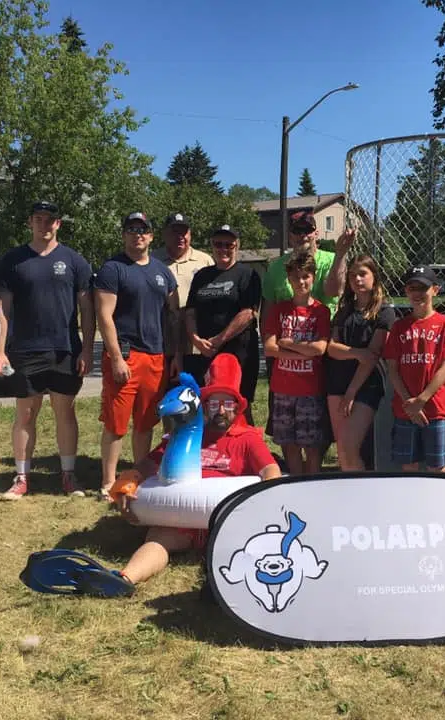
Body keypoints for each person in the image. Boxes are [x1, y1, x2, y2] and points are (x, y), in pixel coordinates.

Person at [110, 353, 282, 588]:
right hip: (183, 516)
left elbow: (270, 469)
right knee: (158, 538)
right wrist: (130, 478)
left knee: (238, 547)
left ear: (238, 407)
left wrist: (265, 500)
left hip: (225, 518)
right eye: (214, 404)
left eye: (228, 404)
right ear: (204, 406)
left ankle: (221, 587)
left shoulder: (247, 439)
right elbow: (152, 462)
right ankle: (124, 579)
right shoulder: (187, 434)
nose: (221, 411)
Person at [0, 200, 94, 500]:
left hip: (65, 350)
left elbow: (87, 310)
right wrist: (0, 351)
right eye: (38, 219)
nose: (44, 224)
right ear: (30, 222)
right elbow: (3, 310)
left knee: (65, 412)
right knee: (25, 413)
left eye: (50, 220)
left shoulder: (76, 261)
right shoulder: (11, 261)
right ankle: (21, 477)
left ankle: (68, 476)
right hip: (25, 350)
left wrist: (87, 349)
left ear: (58, 224)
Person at [94, 211, 180, 501]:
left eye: (142, 230)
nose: (137, 235)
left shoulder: (162, 272)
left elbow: (173, 316)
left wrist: (174, 355)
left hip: (155, 357)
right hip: (126, 355)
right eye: (131, 230)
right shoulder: (113, 269)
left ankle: (137, 476)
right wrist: (116, 357)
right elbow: (104, 316)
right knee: (116, 424)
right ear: (124, 235)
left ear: (151, 236)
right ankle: (108, 482)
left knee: (145, 423)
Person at [260, 210, 355, 460]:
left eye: (307, 230)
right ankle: (293, 470)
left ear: (316, 233)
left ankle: (314, 469)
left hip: (322, 352)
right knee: (286, 427)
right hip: (284, 362)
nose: (302, 235)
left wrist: (341, 255)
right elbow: (268, 312)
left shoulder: (329, 259)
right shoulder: (277, 268)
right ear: (290, 235)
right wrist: (274, 351)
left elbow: (334, 291)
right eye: (297, 230)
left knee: (316, 426)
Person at [383, 266, 445, 473]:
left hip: (435, 408)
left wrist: (421, 400)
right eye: (412, 288)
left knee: (438, 468)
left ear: (435, 289)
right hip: (405, 408)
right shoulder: (399, 327)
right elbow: (393, 369)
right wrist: (409, 402)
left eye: (423, 288)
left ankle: (438, 505)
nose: (417, 294)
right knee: (409, 467)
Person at [262, 251, 331, 474]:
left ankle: (312, 485)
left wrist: (288, 343)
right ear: (289, 279)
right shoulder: (279, 309)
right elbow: (271, 348)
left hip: (310, 389)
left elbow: (320, 348)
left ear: (313, 277)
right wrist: (303, 353)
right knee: (288, 444)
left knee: (311, 446)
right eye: (295, 277)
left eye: (305, 277)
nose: (300, 282)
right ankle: (295, 483)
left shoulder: (321, 311)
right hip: (283, 388)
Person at [325, 255, 396, 470]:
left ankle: (363, 493)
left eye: (363, 274)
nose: (357, 279)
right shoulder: (344, 310)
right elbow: (332, 348)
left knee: (349, 447)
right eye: (353, 275)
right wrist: (357, 353)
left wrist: (351, 393)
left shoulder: (384, 312)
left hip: (365, 386)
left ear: (374, 276)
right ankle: (348, 493)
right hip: (337, 383)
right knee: (342, 452)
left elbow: (372, 356)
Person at [185, 225, 262, 421]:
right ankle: (212, 449)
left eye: (229, 245)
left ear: (237, 246)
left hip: (239, 352)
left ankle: (243, 447)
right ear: (212, 246)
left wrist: (219, 339)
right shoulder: (202, 275)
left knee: (239, 403)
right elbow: (191, 311)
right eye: (218, 244)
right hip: (206, 351)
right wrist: (195, 339)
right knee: (209, 403)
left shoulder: (247, 275)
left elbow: (248, 313)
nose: (223, 249)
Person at [152, 212, 214, 381]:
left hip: (196, 345)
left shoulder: (204, 261)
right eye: (174, 232)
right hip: (162, 343)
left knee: (196, 394)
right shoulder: (153, 260)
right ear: (164, 234)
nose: (180, 237)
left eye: (184, 232)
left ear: (190, 234)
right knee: (164, 398)